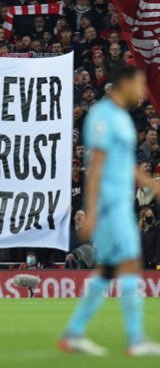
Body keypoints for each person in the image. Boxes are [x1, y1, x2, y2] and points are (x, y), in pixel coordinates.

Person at [59, 66, 160, 356]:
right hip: (107, 205)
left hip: (121, 205)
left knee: (109, 270)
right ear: (124, 84)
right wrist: (90, 212)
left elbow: (126, 165)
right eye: (139, 85)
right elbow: (97, 167)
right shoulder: (102, 117)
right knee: (127, 265)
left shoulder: (123, 120)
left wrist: (152, 184)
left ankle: (74, 333)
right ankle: (135, 339)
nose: (143, 91)